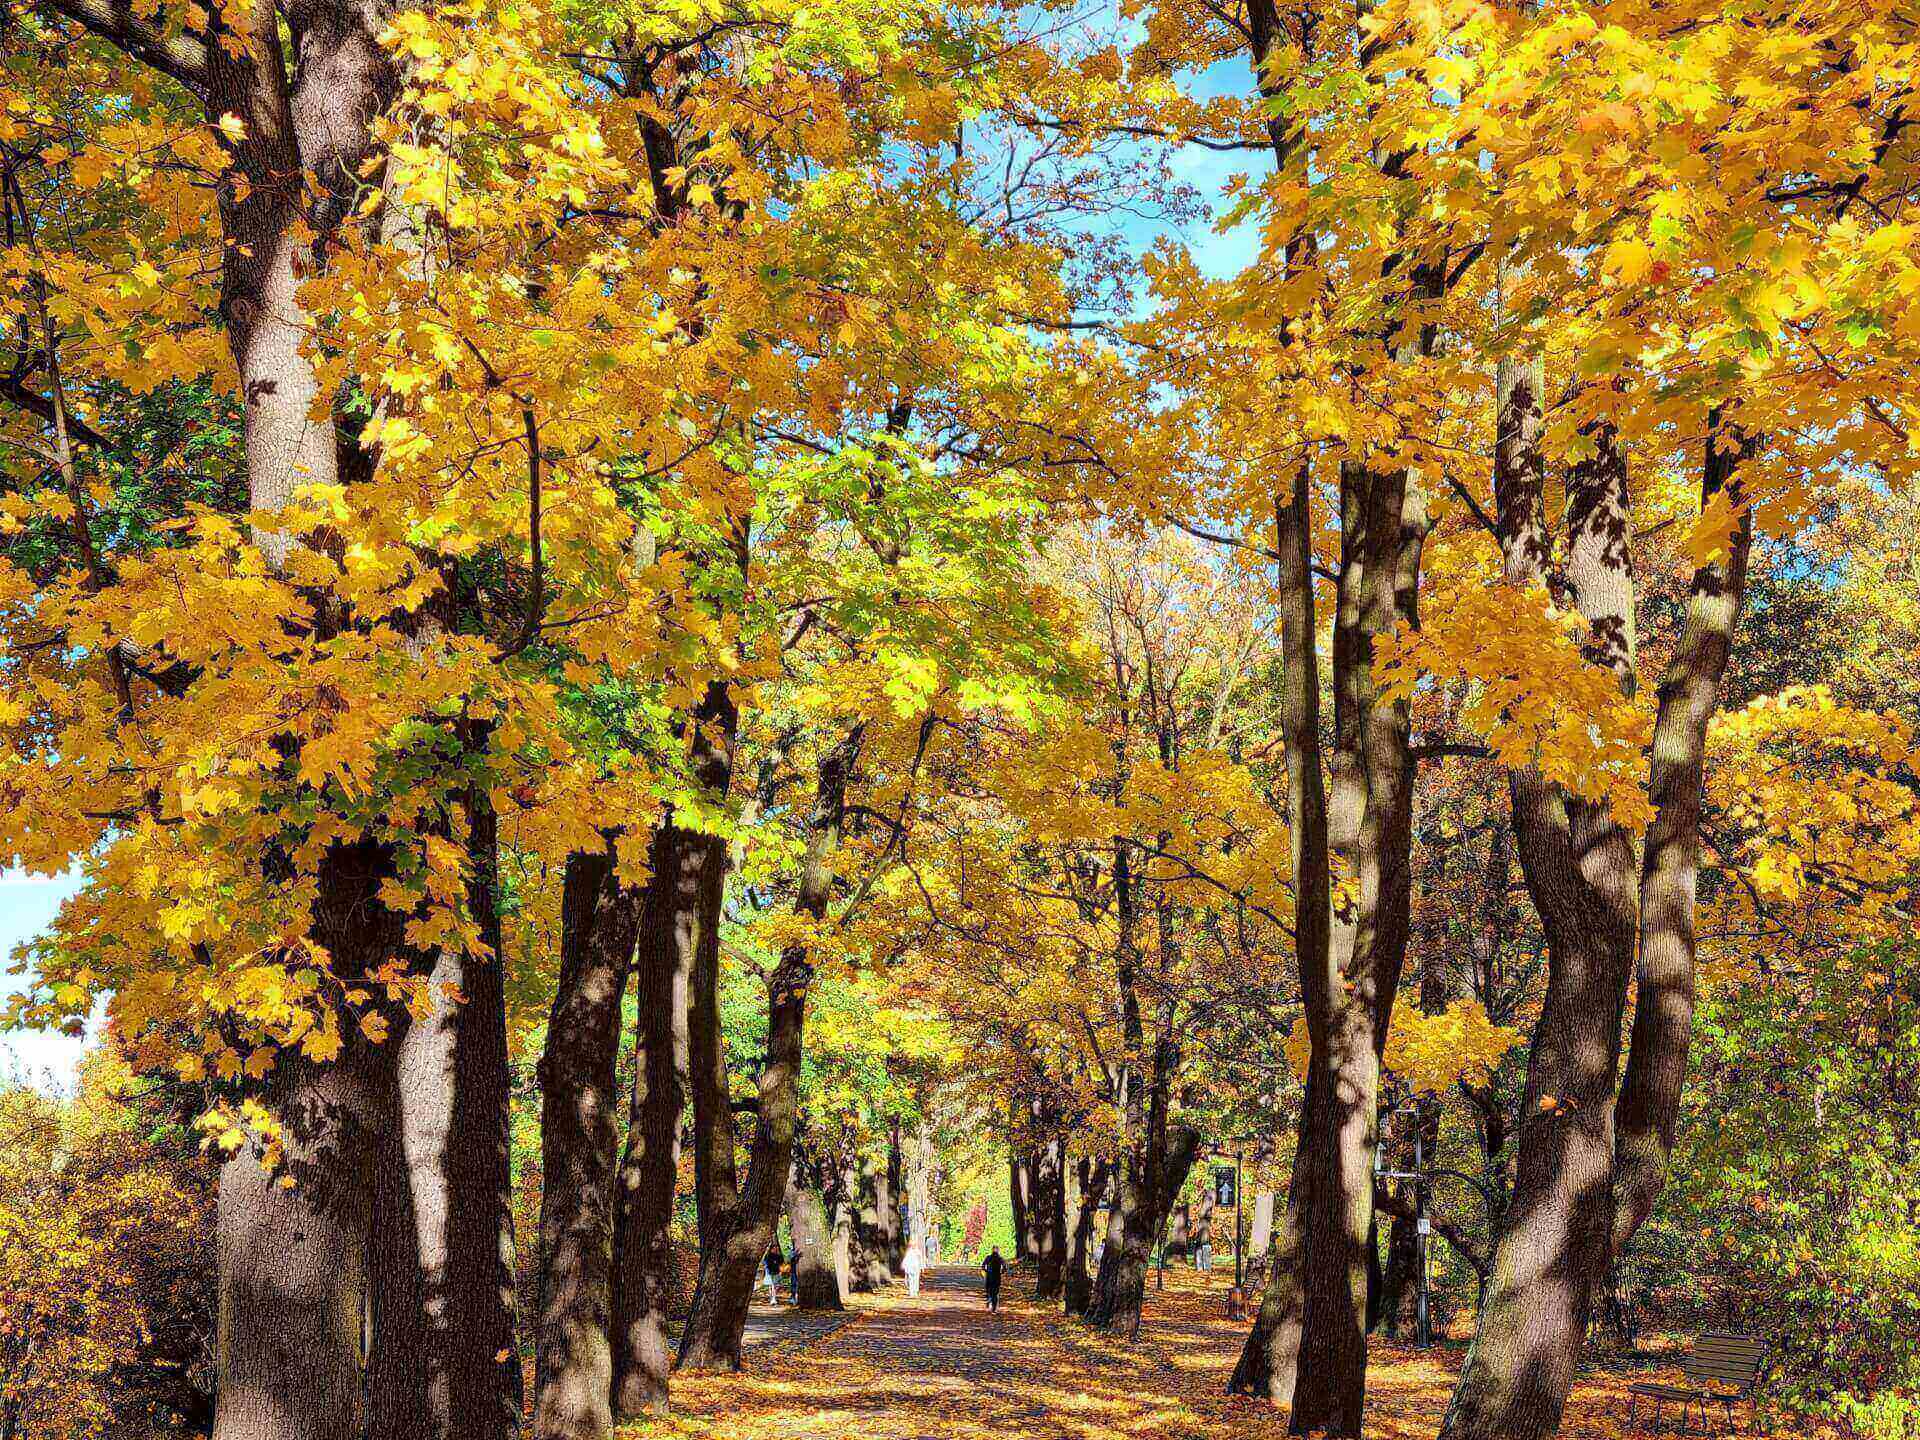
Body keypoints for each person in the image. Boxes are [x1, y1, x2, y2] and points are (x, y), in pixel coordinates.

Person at [981, 1247, 1006, 1312]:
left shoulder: (988, 1257)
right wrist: (1002, 1272)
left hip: (990, 1276)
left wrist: (986, 1270)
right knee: (995, 1292)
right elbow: (1005, 1267)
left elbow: (983, 1265)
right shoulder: (1000, 1258)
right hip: (997, 1277)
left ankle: (990, 1303)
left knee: (989, 1290)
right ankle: (993, 1306)